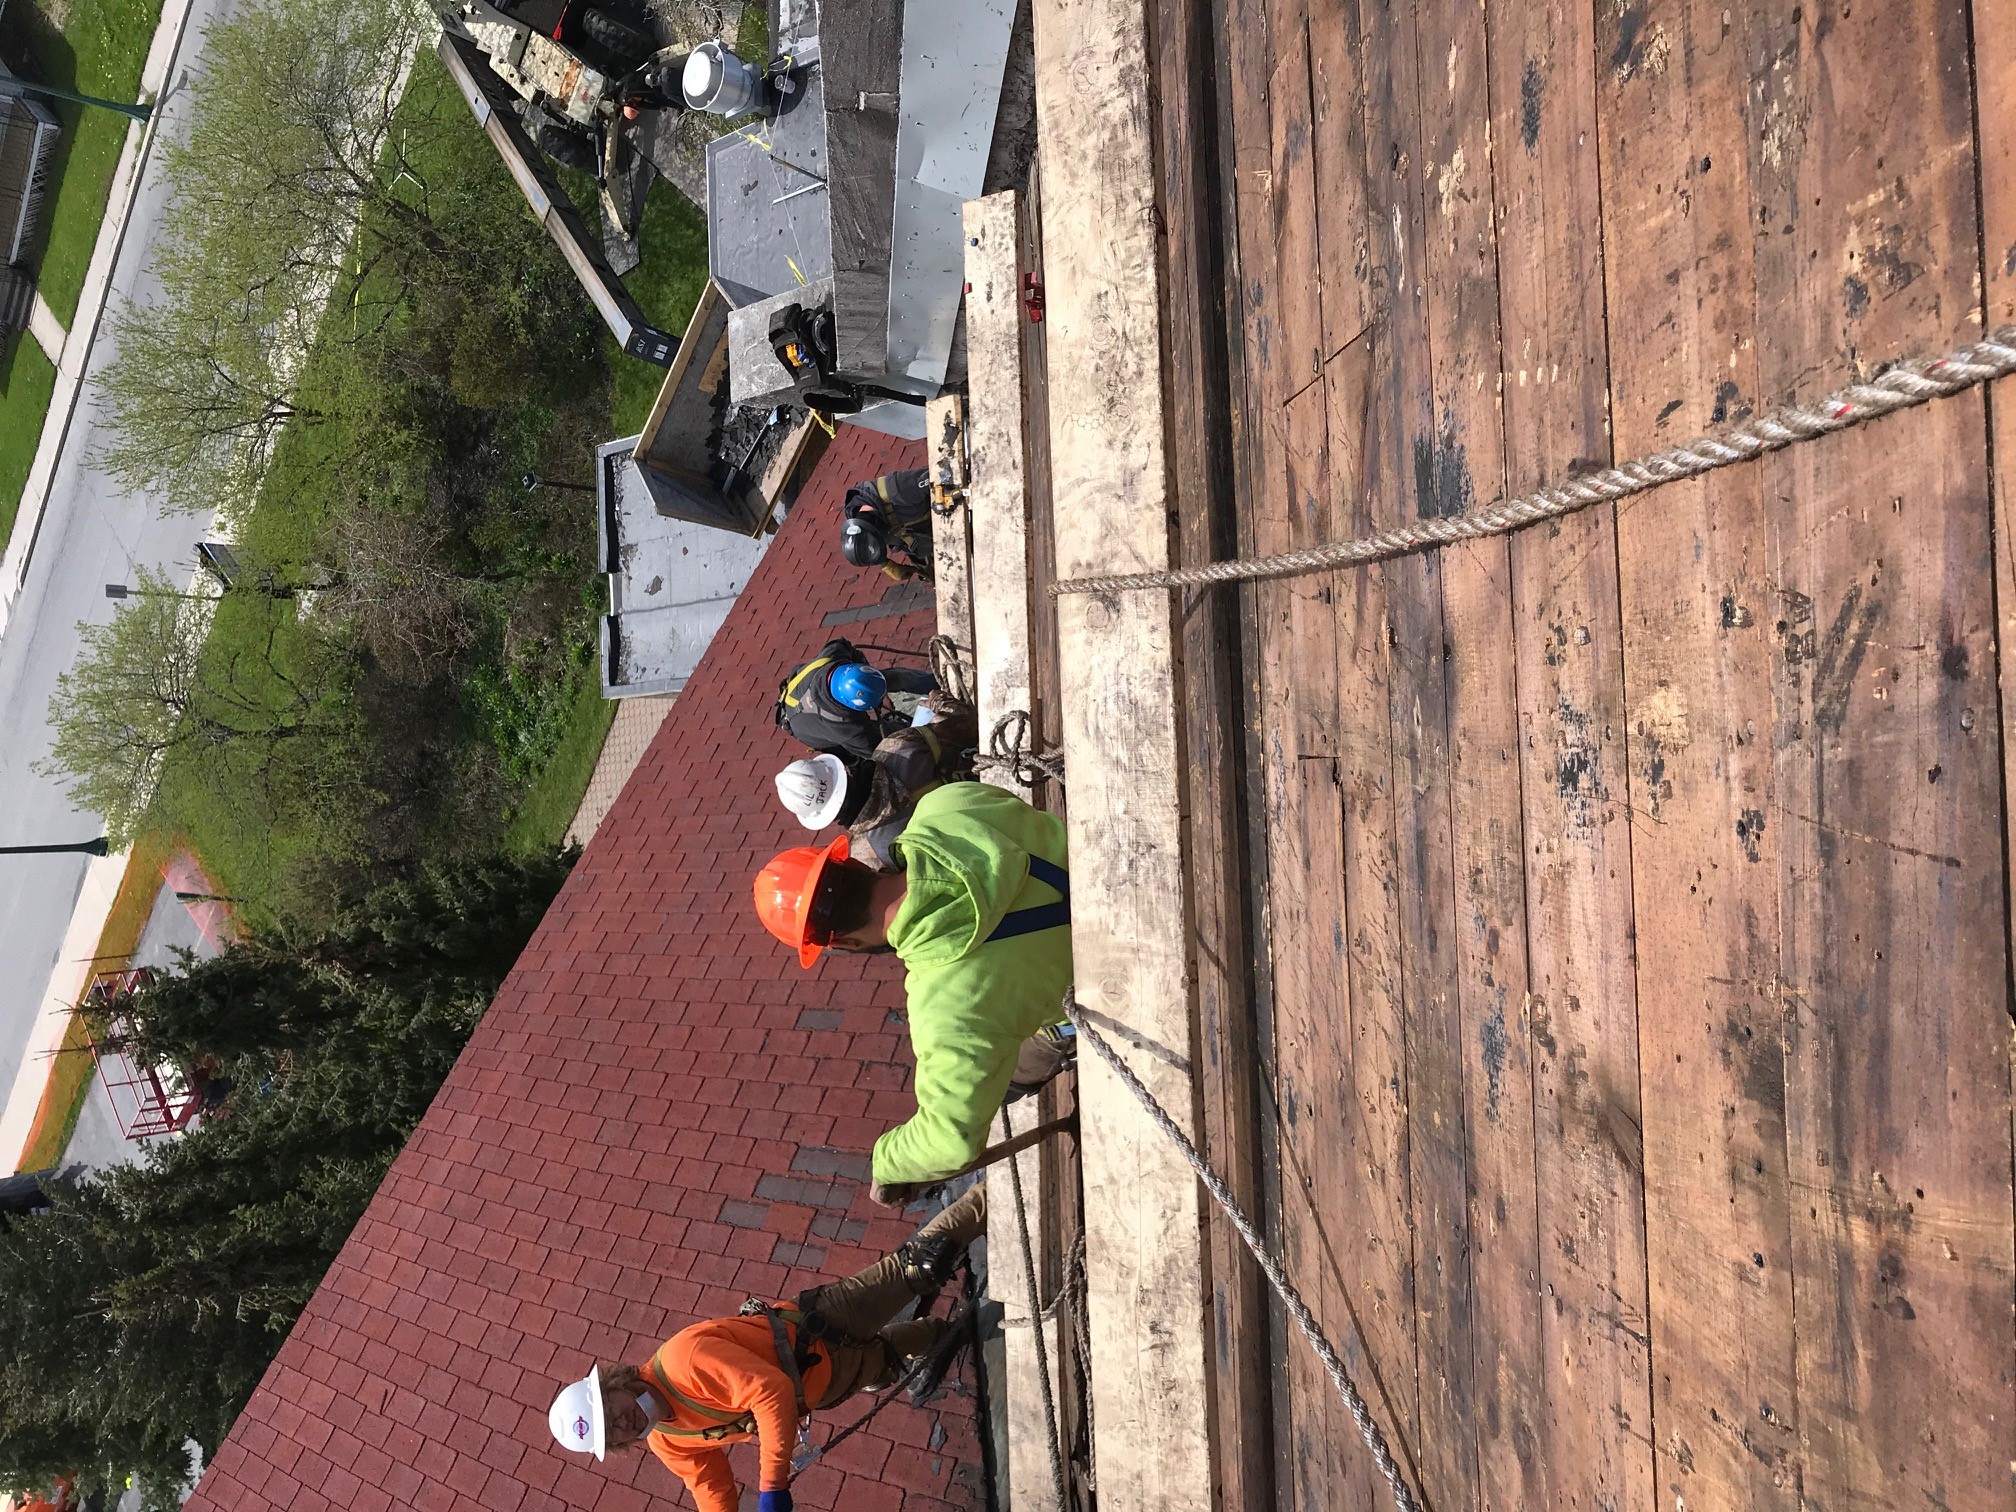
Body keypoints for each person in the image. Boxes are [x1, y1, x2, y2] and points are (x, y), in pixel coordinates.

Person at [547, 1186, 987, 1512]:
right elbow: (711, 1488)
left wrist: (772, 1487)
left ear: (613, 1385)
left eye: (610, 1412)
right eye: (612, 1433)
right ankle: (946, 1330)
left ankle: (989, 1197)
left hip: (826, 1323)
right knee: (891, 1358)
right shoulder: (669, 1440)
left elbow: (770, 1392)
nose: (622, 1422)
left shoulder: (684, 1362)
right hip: (826, 1383)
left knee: (922, 1263)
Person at [753, 782, 1074, 1202]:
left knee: (1008, 1069)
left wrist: (888, 1162)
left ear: (844, 943)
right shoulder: (947, 805)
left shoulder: (946, 1007)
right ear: (856, 863)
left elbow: (948, 1140)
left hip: (1112, 971)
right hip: (1130, 866)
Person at [773, 703, 981, 869]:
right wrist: (937, 701)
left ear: (824, 816)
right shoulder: (898, 747)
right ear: (839, 773)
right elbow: (967, 722)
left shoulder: (870, 856)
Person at [774, 638, 936, 763]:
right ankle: (926, 729)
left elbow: (848, 648)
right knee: (894, 736)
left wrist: (880, 690)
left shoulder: (834, 654)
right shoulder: (847, 727)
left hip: (798, 690)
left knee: (899, 677)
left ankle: (936, 683)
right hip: (801, 724)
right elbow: (880, 750)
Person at [840, 467, 935, 580]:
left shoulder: (897, 490)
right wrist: (885, 563)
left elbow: (940, 476)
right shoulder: (861, 527)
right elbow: (869, 544)